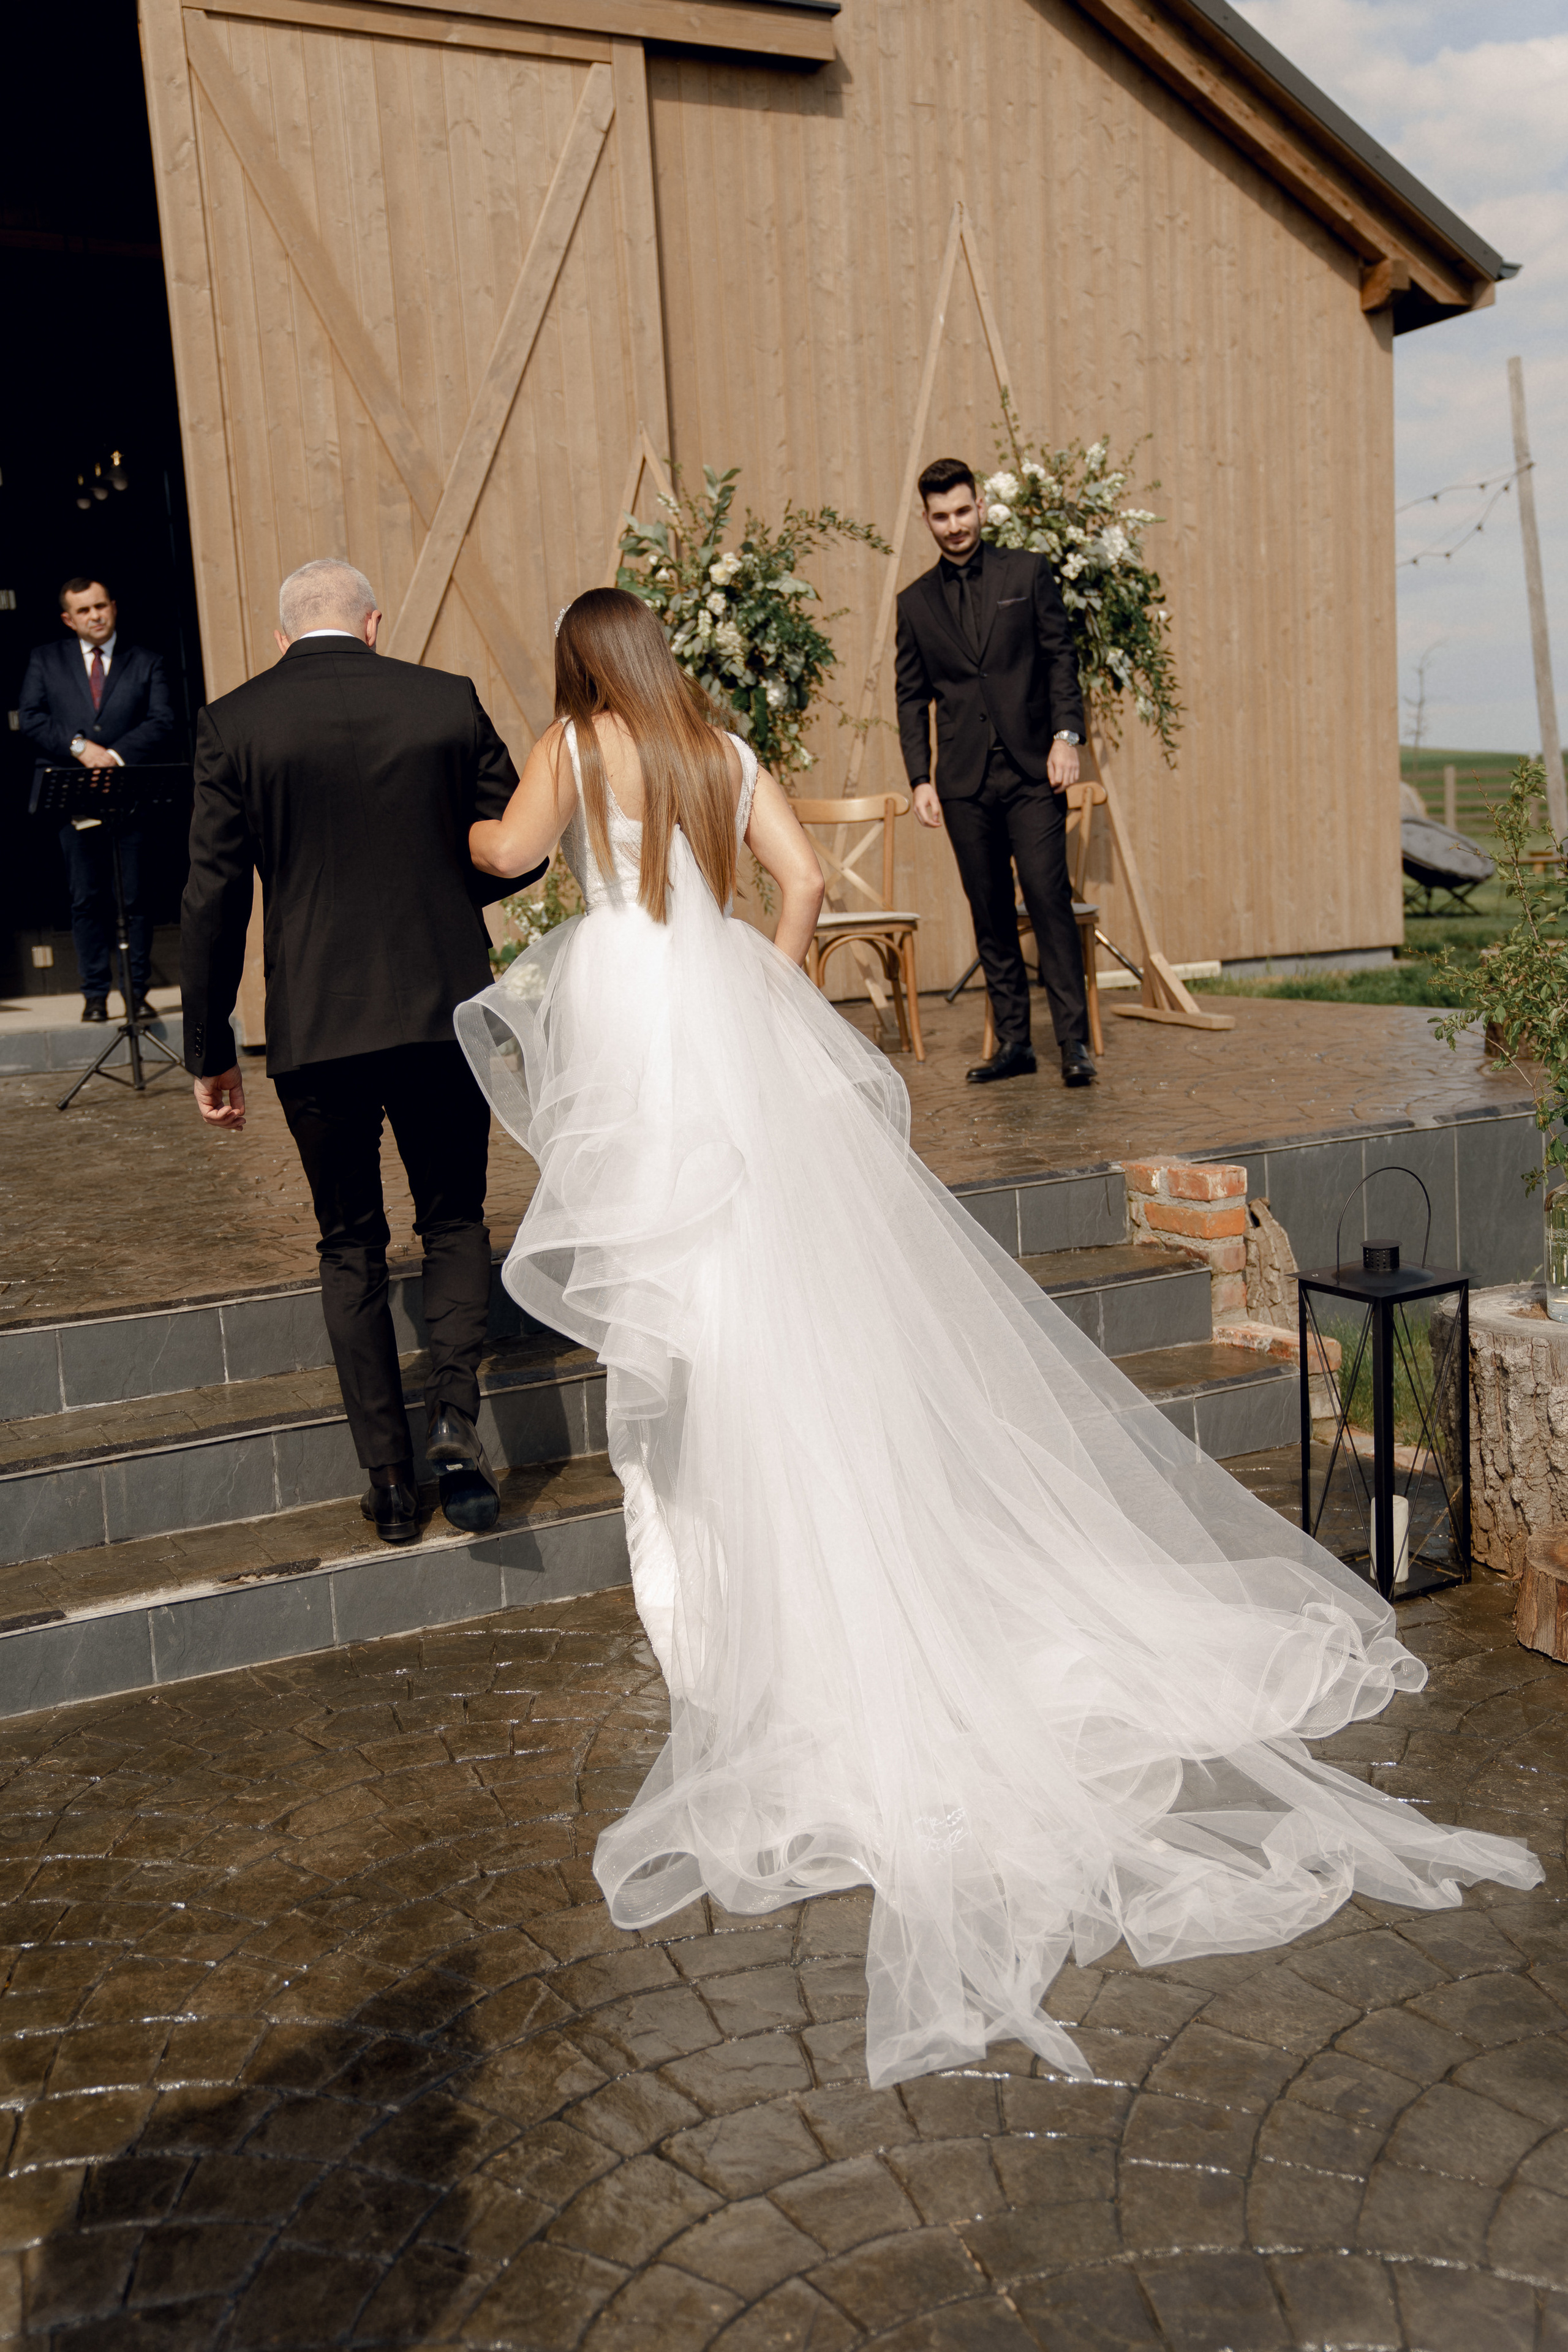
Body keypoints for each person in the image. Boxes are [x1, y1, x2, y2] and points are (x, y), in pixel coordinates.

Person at [455, 587, 1539, 2090]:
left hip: (636, 1022)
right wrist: (757, 979)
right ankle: (791, 1549)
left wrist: (466, 820)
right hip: (718, 1013)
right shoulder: (716, 743)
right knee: (770, 1286)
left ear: (582, 666)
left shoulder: (572, 739)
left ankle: (714, 1592)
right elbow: (798, 889)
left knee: (676, 1298)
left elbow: (508, 856)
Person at [181, 557, 543, 1545]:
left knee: (352, 1245)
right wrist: (438, 902)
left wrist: (209, 1045)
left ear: (282, 635)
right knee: (457, 1218)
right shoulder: (445, 700)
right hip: (440, 1008)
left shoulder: (236, 723)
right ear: (375, 624)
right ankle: (458, 1426)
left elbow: (212, 899)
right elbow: (522, 843)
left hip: (319, 1026)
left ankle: (389, 1483)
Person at [895, 459, 1093, 1088]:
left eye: (962, 510)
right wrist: (919, 779)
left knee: (1046, 898)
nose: (953, 526)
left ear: (980, 506)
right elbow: (908, 697)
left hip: (1034, 772)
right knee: (988, 911)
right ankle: (1014, 1043)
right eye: (940, 516)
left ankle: (1073, 1046)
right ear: (925, 519)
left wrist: (1067, 737)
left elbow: (1061, 658)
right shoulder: (914, 603)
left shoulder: (1026, 573)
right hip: (961, 781)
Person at [19, 577, 175, 1022]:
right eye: (84, 611)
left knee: (135, 898)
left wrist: (116, 756)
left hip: (130, 796)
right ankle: (94, 995)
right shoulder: (45, 660)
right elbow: (30, 718)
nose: (96, 616)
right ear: (69, 619)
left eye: (101, 606)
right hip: (73, 799)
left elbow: (163, 720)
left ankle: (136, 992)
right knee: (86, 898)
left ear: (114, 607)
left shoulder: (146, 661)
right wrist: (79, 747)